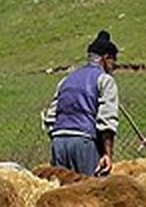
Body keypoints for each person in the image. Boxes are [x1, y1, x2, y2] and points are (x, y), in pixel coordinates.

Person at [43, 30, 120, 176]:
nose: (114, 66)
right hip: (84, 142)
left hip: (59, 142)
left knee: (62, 193)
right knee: (91, 192)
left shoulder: (66, 80)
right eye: (113, 60)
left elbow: (50, 117)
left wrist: (58, 141)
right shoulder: (104, 80)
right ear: (106, 57)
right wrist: (108, 155)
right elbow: (106, 121)